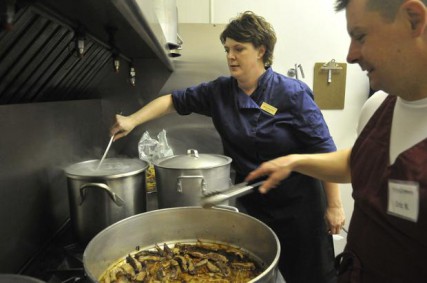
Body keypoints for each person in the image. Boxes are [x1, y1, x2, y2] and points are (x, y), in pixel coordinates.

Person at [110, 11, 345, 283]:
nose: (230, 56)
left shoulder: (292, 93)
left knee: (312, 277)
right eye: (227, 49)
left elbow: (325, 150)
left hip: (300, 209)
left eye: (238, 49)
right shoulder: (219, 92)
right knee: (259, 273)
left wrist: (335, 206)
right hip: (255, 207)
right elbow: (172, 101)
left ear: (261, 50)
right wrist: (132, 120)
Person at [246, 0, 427, 282]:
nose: (350, 55)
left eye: (361, 36)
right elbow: (358, 162)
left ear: (413, 20)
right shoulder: (378, 106)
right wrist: (294, 161)